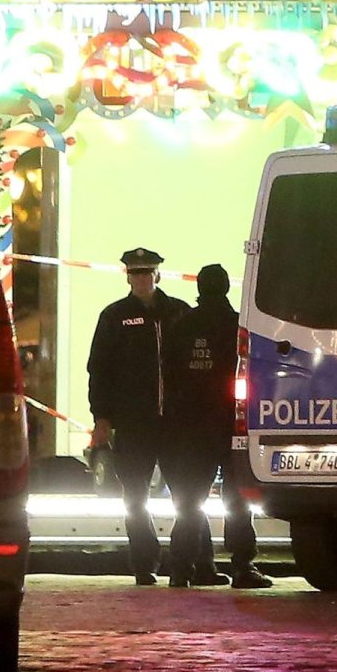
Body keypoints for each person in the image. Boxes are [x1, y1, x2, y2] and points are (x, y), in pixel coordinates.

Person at [160, 264, 272, 589]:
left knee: (190, 498)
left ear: (199, 287)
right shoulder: (238, 326)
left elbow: (169, 374)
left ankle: (181, 568)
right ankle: (242, 567)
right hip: (230, 424)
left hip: (190, 426)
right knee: (236, 497)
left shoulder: (182, 327)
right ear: (225, 288)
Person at [85, 247, 190, 585]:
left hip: (175, 422)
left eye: (147, 272)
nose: (142, 279)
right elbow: (99, 370)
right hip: (133, 423)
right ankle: (145, 561)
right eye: (136, 273)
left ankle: (183, 563)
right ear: (128, 276)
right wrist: (102, 417)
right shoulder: (114, 317)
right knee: (134, 496)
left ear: (157, 274)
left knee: (187, 497)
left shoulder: (179, 313)